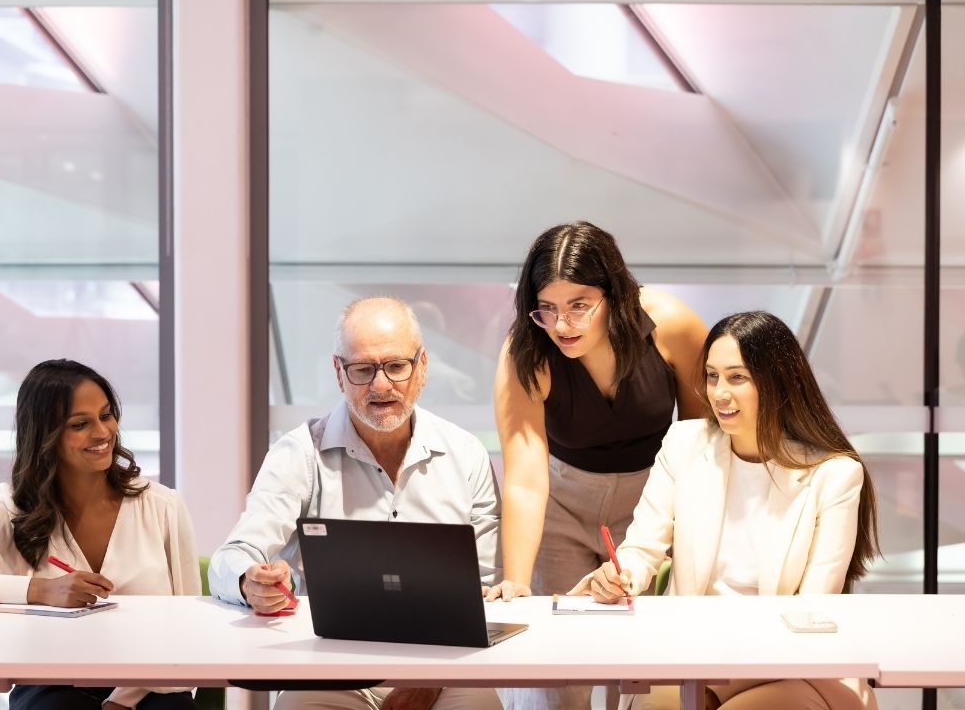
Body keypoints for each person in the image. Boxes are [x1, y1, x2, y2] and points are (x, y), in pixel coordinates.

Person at [570, 311, 881, 710]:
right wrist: (621, 574)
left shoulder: (834, 474)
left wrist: (715, 682)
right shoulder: (685, 443)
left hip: (790, 667)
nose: (719, 393)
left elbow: (811, 612)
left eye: (737, 378)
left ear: (778, 382)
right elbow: (642, 548)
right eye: (712, 376)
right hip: (690, 655)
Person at [209, 296, 502, 710]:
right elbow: (233, 556)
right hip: (329, 666)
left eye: (396, 366)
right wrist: (249, 581)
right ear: (338, 373)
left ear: (422, 367)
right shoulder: (299, 453)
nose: (380, 386)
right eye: (362, 369)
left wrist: (428, 683)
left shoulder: (466, 454)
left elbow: (487, 591)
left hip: (445, 667)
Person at [489, 221, 708, 709]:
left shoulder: (672, 326)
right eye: (547, 307)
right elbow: (525, 477)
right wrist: (516, 582)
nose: (561, 325)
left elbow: (702, 446)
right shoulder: (526, 351)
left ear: (614, 293)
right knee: (553, 676)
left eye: (579, 305)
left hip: (650, 506)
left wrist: (680, 533)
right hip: (559, 503)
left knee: (643, 672)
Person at [0, 359, 200, 710]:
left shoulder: (163, 506)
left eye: (106, 415)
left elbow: (190, 631)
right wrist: (40, 590)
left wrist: (120, 702)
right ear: (46, 435)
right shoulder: (14, 508)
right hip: (52, 685)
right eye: (80, 424)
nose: (102, 432)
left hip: (150, 687)